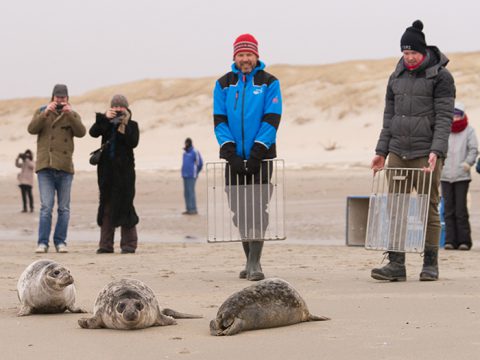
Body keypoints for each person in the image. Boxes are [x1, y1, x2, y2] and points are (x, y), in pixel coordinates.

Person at [370, 20, 455, 281]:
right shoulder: (395, 77)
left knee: (428, 208)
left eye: (413, 53)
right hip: (397, 150)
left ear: (423, 51)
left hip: (425, 152)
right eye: (405, 53)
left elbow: (444, 118)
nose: (408, 58)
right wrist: (381, 151)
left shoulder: (441, 76)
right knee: (395, 207)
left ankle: (430, 263)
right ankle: (396, 264)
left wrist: (436, 151)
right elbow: (389, 117)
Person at [213, 34, 282, 281]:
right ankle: (249, 258)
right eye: (241, 55)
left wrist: (256, 153)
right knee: (238, 210)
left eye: (249, 54)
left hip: (261, 157)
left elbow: (272, 118)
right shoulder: (223, 84)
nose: (245, 59)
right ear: (235, 57)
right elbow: (219, 120)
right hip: (234, 158)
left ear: (256, 56)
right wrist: (230, 153)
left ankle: (255, 262)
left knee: (257, 207)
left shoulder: (269, 82)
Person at [28, 84, 86, 253]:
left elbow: (82, 132)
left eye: (63, 97)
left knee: (64, 208)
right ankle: (43, 243)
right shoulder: (41, 111)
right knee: (46, 207)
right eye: (57, 97)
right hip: (45, 166)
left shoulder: (72, 114)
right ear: (52, 97)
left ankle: (60, 242)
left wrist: (71, 115)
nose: (60, 100)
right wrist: (45, 113)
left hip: (65, 167)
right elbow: (31, 129)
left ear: (67, 99)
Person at [89, 94, 139, 254]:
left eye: (121, 107)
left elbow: (133, 142)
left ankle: (129, 245)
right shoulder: (106, 123)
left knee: (126, 205)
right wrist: (104, 118)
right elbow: (93, 132)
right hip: (106, 173)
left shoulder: (132, 124)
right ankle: (105, 245)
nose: (118, 109)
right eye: (115, 107)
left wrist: (123, 125)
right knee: (107, 206)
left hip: (125, 173)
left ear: (126, 107)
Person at [440, 102, 478, 250]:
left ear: (462, 115)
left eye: (458, 114)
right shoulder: (444, 130)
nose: (455, 118)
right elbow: (439, 148)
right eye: (453, 114)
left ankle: (464, 241)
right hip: (445, 175)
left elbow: (474, 149)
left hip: (462, 176)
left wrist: (467, 164)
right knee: (448, 209)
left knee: (460, 209)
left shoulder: (469, 131)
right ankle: (449, 241)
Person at [181, 137, 203, 215]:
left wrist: (196, 172)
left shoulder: (195, 152)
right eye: (185, 143)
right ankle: (188, 208)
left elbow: (200, 163)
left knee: (191, 192)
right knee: (186, 193)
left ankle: (193, 209)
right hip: (185, 175)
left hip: (192, 175)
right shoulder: (184, 153)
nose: (186, 144)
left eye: (187, 142)